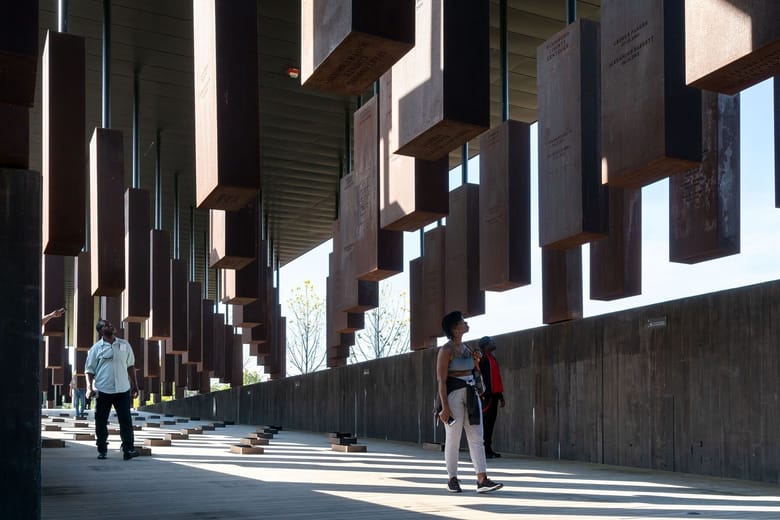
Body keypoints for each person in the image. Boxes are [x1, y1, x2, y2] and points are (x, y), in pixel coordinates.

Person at [436, 310, 503, 494]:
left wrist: (476, 362)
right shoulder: (446, 350)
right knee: (453, 439)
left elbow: (475, 372)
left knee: (477, 437)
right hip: (454, 395)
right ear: (455, 328)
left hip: (471, 394)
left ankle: (482, 478)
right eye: (463, 322)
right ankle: (452, 478)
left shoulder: (467, 348)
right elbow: (441, 380)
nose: (466, 324)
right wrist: (444, 407)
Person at [85, 319, 140, 460]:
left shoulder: (124, 344)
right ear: (101, 331)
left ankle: (128, 449)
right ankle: (102, 449)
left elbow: (130, 365)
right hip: (103, 390)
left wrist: (135, 385)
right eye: (107, 325)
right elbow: (89, 370)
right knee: (101, 421)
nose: (111, 326)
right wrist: (89, 387)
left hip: (122, 389)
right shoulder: (96, 348)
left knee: (126, 420)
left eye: (111, 324)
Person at [478, 336, 505, 458]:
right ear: (485, 346)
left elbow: (496, 379)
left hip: (494, 396)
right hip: (486, 397)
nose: (493, 343)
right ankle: (484, 450)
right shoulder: (483, 360)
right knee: (486, 423)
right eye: (491, 342)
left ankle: (488, 448)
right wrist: (483, 394)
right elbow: (480, 379)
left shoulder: (492, 358)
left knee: (491, 423)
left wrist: (500, 396)